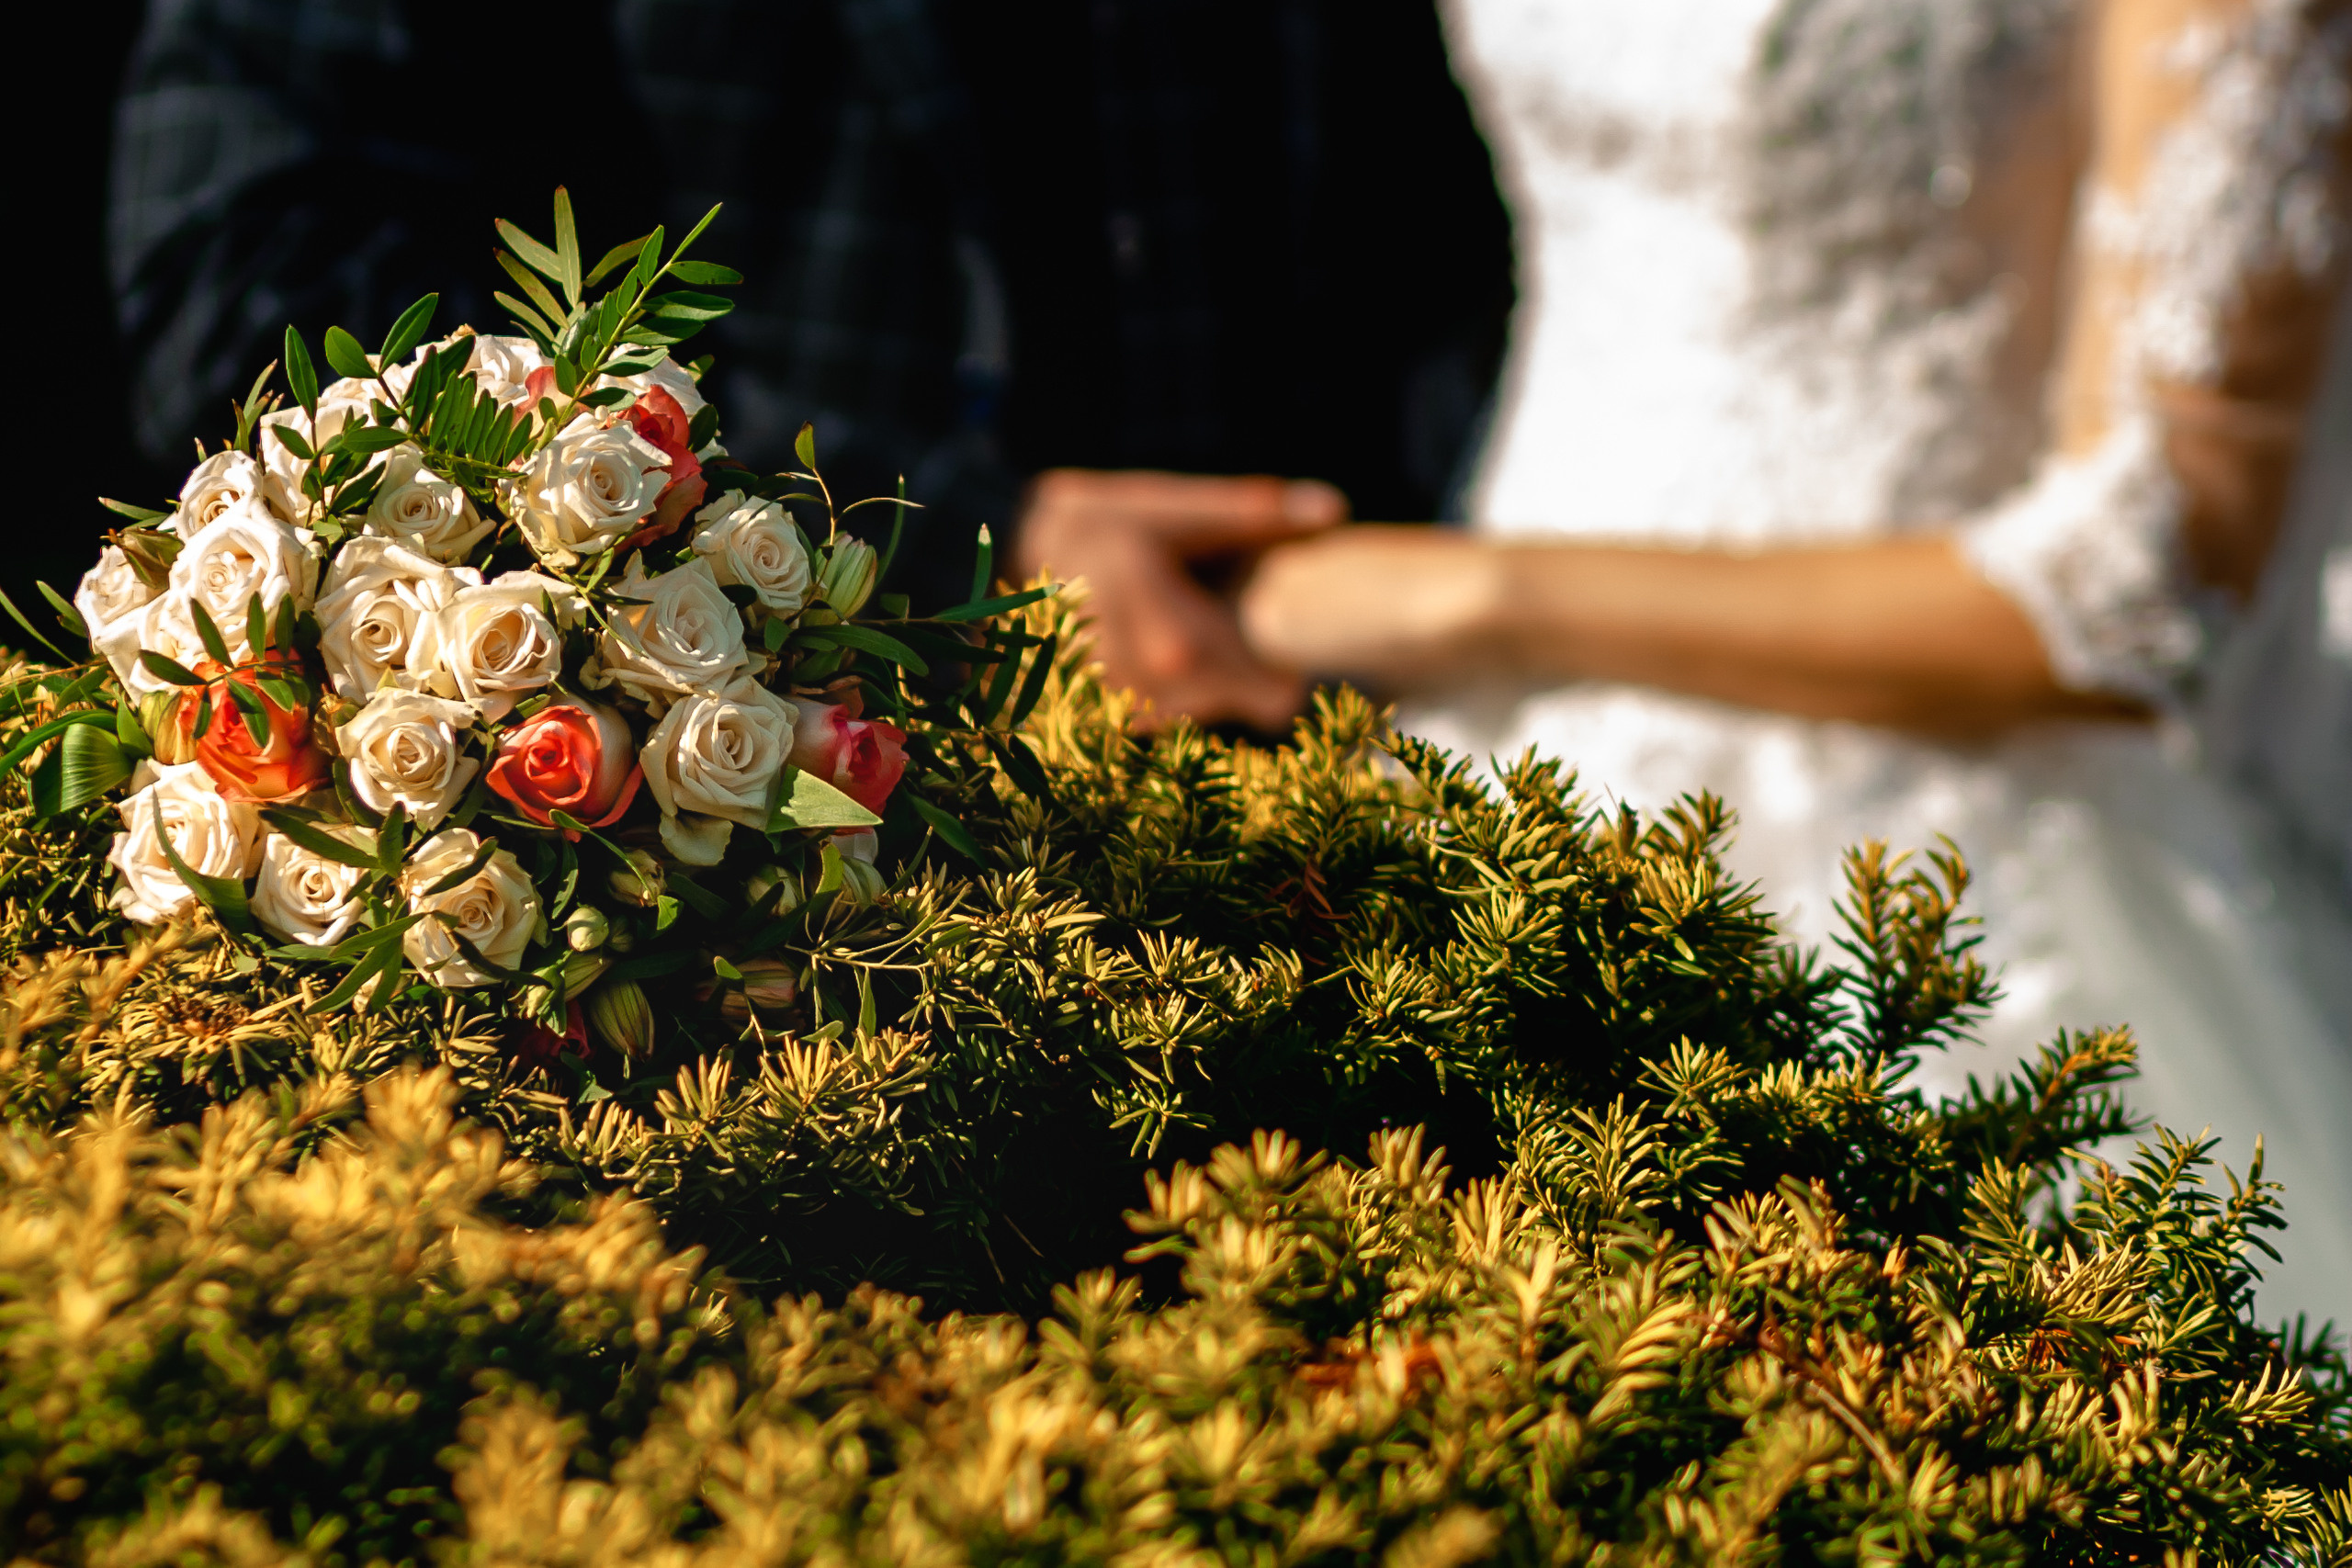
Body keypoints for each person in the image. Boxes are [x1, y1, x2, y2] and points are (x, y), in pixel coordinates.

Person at [1023, 0, 2352, 1323]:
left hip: (1921, 851)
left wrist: (1471, 596)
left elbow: (2141, 577)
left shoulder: (1447, 602)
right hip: (1472, 778)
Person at [106, 0, 1507, 616]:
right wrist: (948, 545)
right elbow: (245, 286)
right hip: (775, 888)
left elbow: (1453, 224)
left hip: (1366, 745)